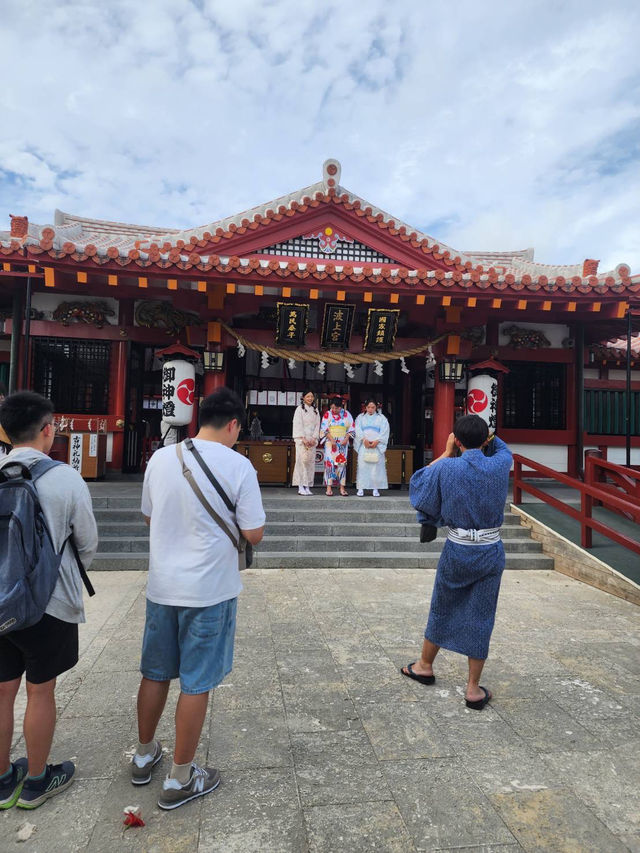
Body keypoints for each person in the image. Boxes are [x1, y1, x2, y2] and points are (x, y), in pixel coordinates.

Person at [133, 387, 265, 810]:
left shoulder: (160, 458)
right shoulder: (240, 465)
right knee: (196, 682)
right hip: (209, 590)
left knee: (155, 673)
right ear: (232, 425)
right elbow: (254, 534)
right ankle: (179, 778)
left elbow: (150, 514)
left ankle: (143, 754)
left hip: (163, 586)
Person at [0, 392, 98, 808]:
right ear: (46, 429)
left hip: (0, 601)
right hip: (48, 602)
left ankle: (4, 780)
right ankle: (38, 780)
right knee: (41, 691)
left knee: (3, 690)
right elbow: (87, 543)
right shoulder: (65, 478)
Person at [401, 415, 512, 711]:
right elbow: (502, 448)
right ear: (485, 439)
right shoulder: (500, 464)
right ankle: (473, 688)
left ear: (457, 440)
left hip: (458, 548)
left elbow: (419, 482)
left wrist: (447, 450)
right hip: (490, 549)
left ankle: (425, 665)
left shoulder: (448, 467)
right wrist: (489, 436)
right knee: (482, 615)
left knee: (443, 604)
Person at [319, 395, 355, 497]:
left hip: (342, 443)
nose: (335, 410)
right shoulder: (327, 414)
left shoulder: (347, 414)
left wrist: (347, 438)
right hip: (331, 443)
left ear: (341, 406)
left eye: (337, 408)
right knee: (330, 464)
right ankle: (329, 487)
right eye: (333, 407)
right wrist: (331, 439)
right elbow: (324, 429)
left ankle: (342, 487)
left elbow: (352, 428)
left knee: (342, 464)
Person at [354, 399, 390, 497]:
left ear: (376, 408)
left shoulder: (382, 418)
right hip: (364, 445)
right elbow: (357, 429)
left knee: (376, 468)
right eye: (368, 407)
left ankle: (375, 488)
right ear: (365, 407)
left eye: (373, 407)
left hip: (376, 445)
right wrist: (363, 440)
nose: (370, 409)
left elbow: (384, 431)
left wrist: (377, 441)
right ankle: (361, 488)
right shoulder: (360, 418)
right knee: (362, 467)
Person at [291, 390, 320, 496]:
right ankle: (300, 486)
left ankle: (307, 486)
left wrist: (314, 438)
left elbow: (318, 425)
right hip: (302, 440)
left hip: (311, 441)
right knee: (301, 462)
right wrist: (303, 439)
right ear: (303, 397)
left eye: (312, 396)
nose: (310, 398)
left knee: (310, 463)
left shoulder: (315, 410)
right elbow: (298, 425)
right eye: (308, 396)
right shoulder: (299, 410)